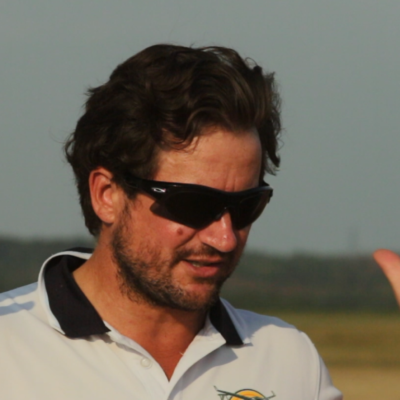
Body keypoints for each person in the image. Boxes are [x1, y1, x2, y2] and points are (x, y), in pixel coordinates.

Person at [0, 44, 342, 399]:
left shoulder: (290, 360)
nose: (224, 238)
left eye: (246, 206)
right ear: (106, 195)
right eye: (193, 204)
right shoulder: (8, 346)